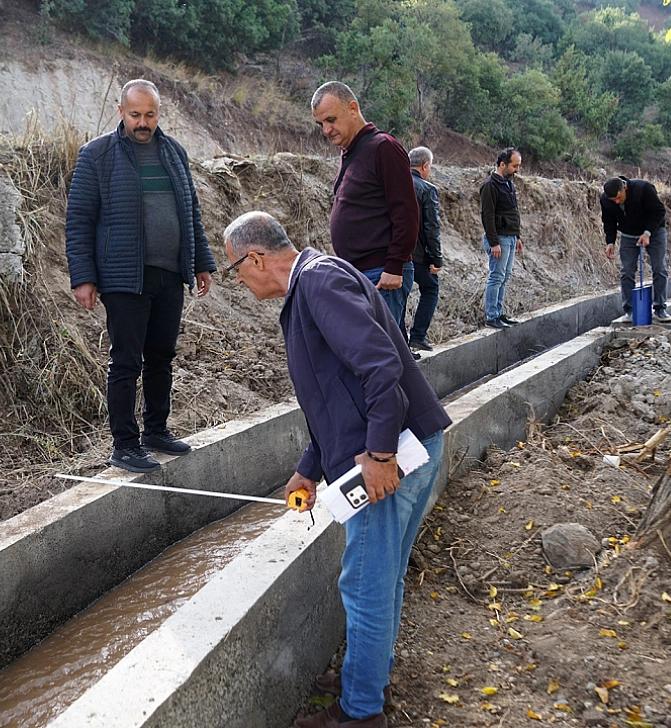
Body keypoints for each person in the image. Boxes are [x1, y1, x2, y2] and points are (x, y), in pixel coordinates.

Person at [222, 211, 451, 728]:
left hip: (393, 456)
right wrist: (309, 467)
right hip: (401, 445)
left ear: (255, 258)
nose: (240, 281)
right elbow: (334, 395)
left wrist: (380, 455)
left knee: (366, 582)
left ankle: (360, 714)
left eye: (237, 270)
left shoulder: (319, 283)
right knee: (383, 577)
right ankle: (369, 677)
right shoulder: (315, 282)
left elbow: (380, 367)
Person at [65, 79, 216, 473]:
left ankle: (155, 431)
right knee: (126, 362)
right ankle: (125, 445)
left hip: (169, 274)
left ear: (159, 113)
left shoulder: (174, 153)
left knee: (162, 357)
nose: (143, 122)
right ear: (121, 112)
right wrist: (83, 276)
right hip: (123, 277)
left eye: (150, 114)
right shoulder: (97, 155)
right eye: (135, 115)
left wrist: (201, 261)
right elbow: (79, 220)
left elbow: (191, 212)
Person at [311, 81, 419, 331]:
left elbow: (407, 212)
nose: (326, 130)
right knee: (379, 357)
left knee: (382, 358)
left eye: (331, 119)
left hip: (382, 275)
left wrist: (394, 266)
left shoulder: (383, 147)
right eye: (321, 124)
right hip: (362, 273)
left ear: (352, 108)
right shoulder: (352, 151)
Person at [600, 176, 671, 323]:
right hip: (628, 234)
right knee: (626, 271)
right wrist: (610, 242)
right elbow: (609, 220)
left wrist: (647, 233)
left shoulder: (643, 189)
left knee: (659, 268)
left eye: (619, 198)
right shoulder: (606, 199)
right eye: (614, 200)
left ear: (624, 188)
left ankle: (660, 309)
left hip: (654, 232)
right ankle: (630, 310)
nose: (617, 202)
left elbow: (659, 211)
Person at [479, 148, 523, 329]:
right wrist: (494, 241)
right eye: (514, 166)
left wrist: (517, 236)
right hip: (500, 238)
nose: (517, 170)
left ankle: (498, 313)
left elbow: (513, 212)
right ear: (502, 164)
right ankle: (492, 316)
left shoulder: (508, 184)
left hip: (510, 237)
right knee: (496, 276)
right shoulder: (490, 185)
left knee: (505, 277)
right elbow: (487, 216)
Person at [406, 147, 444, 351]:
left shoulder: (395, 184)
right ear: (425, 165)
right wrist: (436, 259)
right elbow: (431, 228)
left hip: (393, 254)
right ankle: (418, 336)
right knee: (431, 288)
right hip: (417, 255)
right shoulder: (427, 189)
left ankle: (401, 343)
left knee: (398, 298)